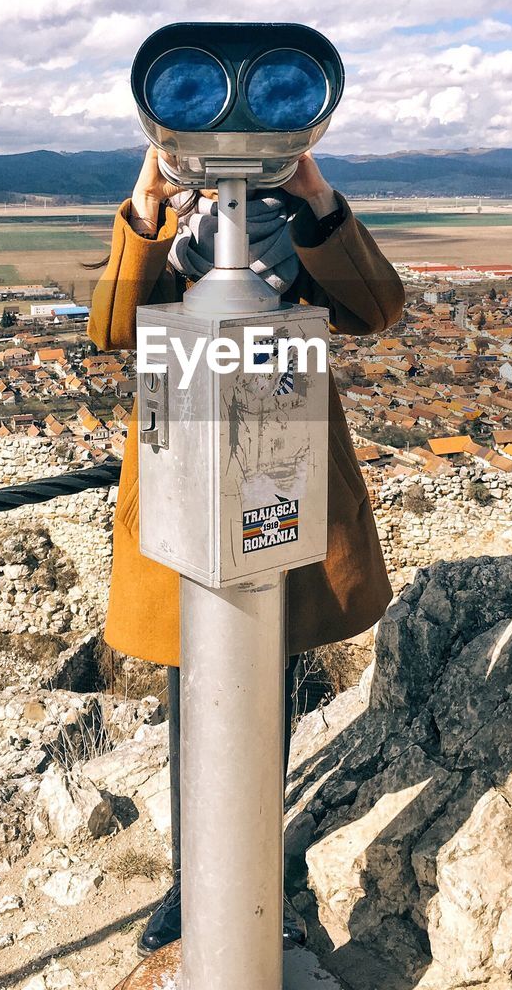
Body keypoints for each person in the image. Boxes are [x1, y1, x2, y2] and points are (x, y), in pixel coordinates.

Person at [87, 146, 404, 954]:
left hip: (279, 485)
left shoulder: (303, 241)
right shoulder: (172, 250)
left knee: (269, 691)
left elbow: (376, 307)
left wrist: (314, 194)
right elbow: (113, 325)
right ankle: (194, 883)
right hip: (184, 497)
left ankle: (258, 879)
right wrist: (148, 206)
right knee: (189, 699)